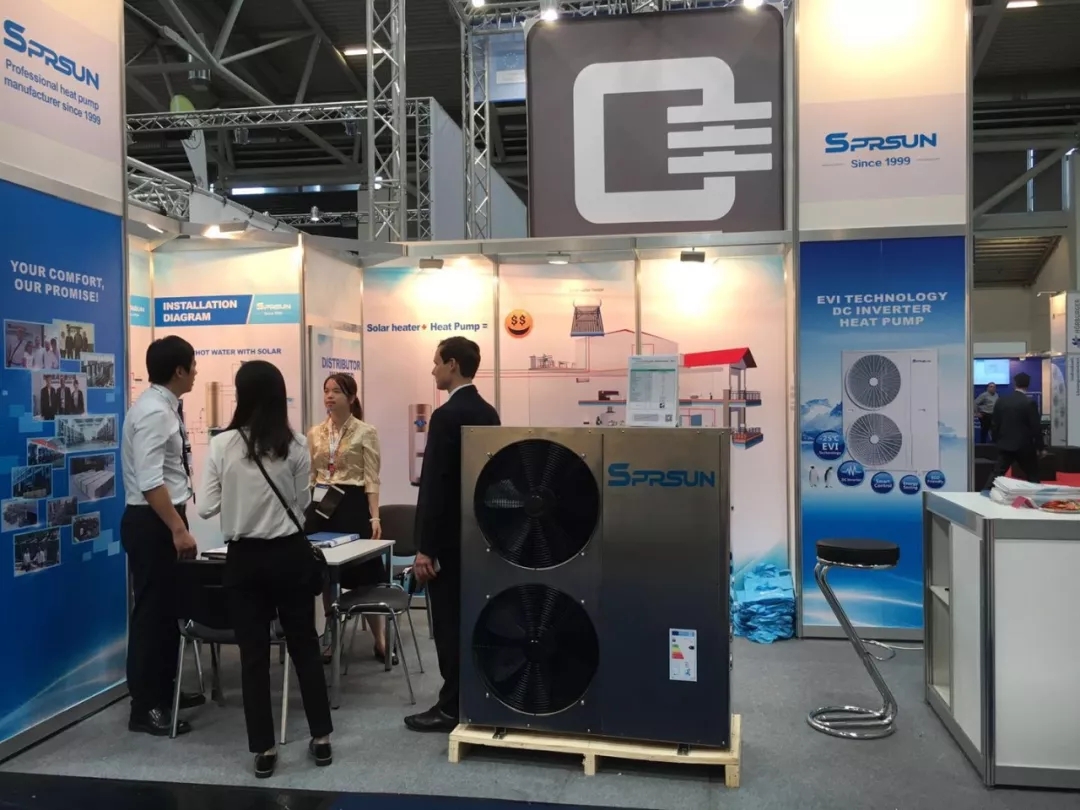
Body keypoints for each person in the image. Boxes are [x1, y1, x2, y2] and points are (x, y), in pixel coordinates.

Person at [198, 361, 333, 779]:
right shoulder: (295, 444)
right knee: (305, 646)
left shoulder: (222, 445)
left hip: (244, 559)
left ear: (241, 395)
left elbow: (205, 506)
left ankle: (264, 748)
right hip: (290, 555)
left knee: (253, 656)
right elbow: (302, 505)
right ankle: (321, 738)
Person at [405, 337, 500, 733]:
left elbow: (435, 487)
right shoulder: (489, 413)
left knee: (447, 625)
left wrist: (425, 548)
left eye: (437, 363)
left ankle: (450, 707)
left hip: (446, 543)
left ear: (453, 365)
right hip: (482, 538)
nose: (433, 370)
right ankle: (478, 697)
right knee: (476, 621)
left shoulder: (446, 417)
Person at [120, 335, 203, 737]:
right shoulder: (154, 412)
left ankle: (165, 689)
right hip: (153, 522)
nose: (197, 372)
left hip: (162, 519)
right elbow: (151, 481)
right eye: (193, 365)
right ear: (179, 370)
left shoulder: (164, 406)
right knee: (152, 615)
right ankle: (145, 706)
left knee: (168, 610)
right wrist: (178, 528)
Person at [305, 373, 392, 664]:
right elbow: (312, 474)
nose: (329, 396)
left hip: (352, 503)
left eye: (336, 391)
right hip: (321, 505)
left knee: (366, 574)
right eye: (326, 391)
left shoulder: (366, 431)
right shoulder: (315, 433)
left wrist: (375, 517)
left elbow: (372, 478)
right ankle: (331, 637)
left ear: (351, 397)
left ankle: (380, 640)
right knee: (324, 573)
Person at [991, 372, 1043, 484]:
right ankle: (1036, 495)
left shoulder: (1001, 400)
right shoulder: (1029, 403)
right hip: (1025, 447)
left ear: (1014, 384)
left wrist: (997, 440)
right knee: (1033, 476)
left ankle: (985, 493)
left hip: (1005, 444)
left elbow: (995, 423)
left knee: (996, 476)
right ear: (1028, 385)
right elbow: (1036, 427)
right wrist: (1041, 447)